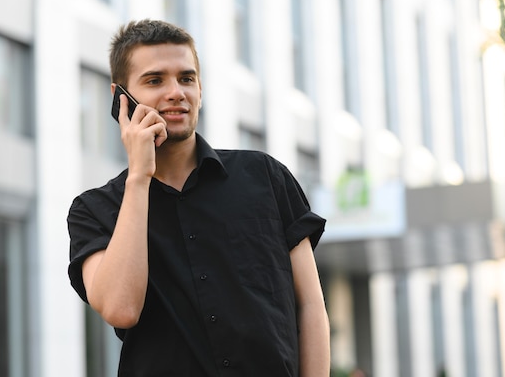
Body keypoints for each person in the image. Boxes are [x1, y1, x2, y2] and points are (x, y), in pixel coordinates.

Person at [67, 19, 330, 376]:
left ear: (200, 90)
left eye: (186, 78)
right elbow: (121, 309)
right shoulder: (95, 210)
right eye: (155, 80)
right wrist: (139, 178)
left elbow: (311, 306)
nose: (176, 92)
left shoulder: (266, 177)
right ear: (120, 97)